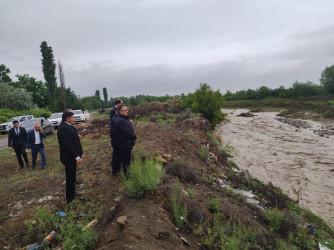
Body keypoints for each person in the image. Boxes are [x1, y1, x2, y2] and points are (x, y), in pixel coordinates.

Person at [57, 111, 83, 203]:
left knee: (72, 177)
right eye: (73, 117)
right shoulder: (64, 128)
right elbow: (67, 144)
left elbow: (71, 137)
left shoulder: (68, 126)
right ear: (67, 119)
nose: (74, 119)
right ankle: (70, 199)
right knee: (70, 178)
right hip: (69, 158)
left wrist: (77, 136)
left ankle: (73, 194)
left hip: (71, 157)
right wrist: (76, 156)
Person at [113, 105, 137, 176]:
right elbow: (126, 132)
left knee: (125, 160)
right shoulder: (120, 121)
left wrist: (129, 123)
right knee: (126, 161)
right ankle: (127, 176)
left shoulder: (123, 119)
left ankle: (126, 173)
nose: (127, 111)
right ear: (120, 112)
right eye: (125, 110)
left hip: (125, 143)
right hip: (125, 144)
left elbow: (126, 128)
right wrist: (134, 136)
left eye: (127, 110)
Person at [110, 108, 120, 175]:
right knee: (116, 155)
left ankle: (117, 168)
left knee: (117, 155)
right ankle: (115, 170)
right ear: (117, 112)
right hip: (116, 141)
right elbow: (115, 131)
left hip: (117, 140)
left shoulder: (116, 118)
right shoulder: (115, 119)